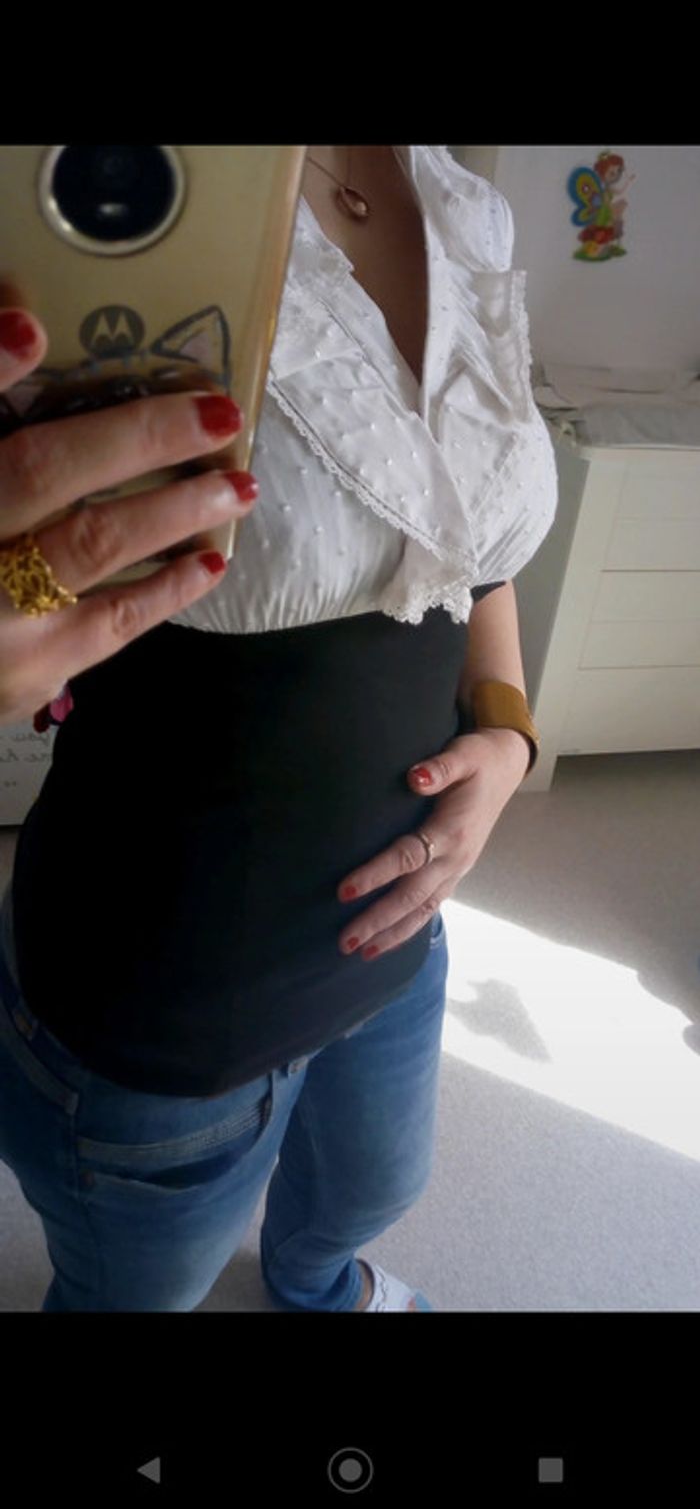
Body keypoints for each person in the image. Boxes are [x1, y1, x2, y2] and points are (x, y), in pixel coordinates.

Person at [0, 146, 557, 1313]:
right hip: (164, 990)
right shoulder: (55, 194)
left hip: (398, 937)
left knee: (370, 1189)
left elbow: (476, 549)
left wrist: (507, 733)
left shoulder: (461, 202)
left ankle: (316, 1284)